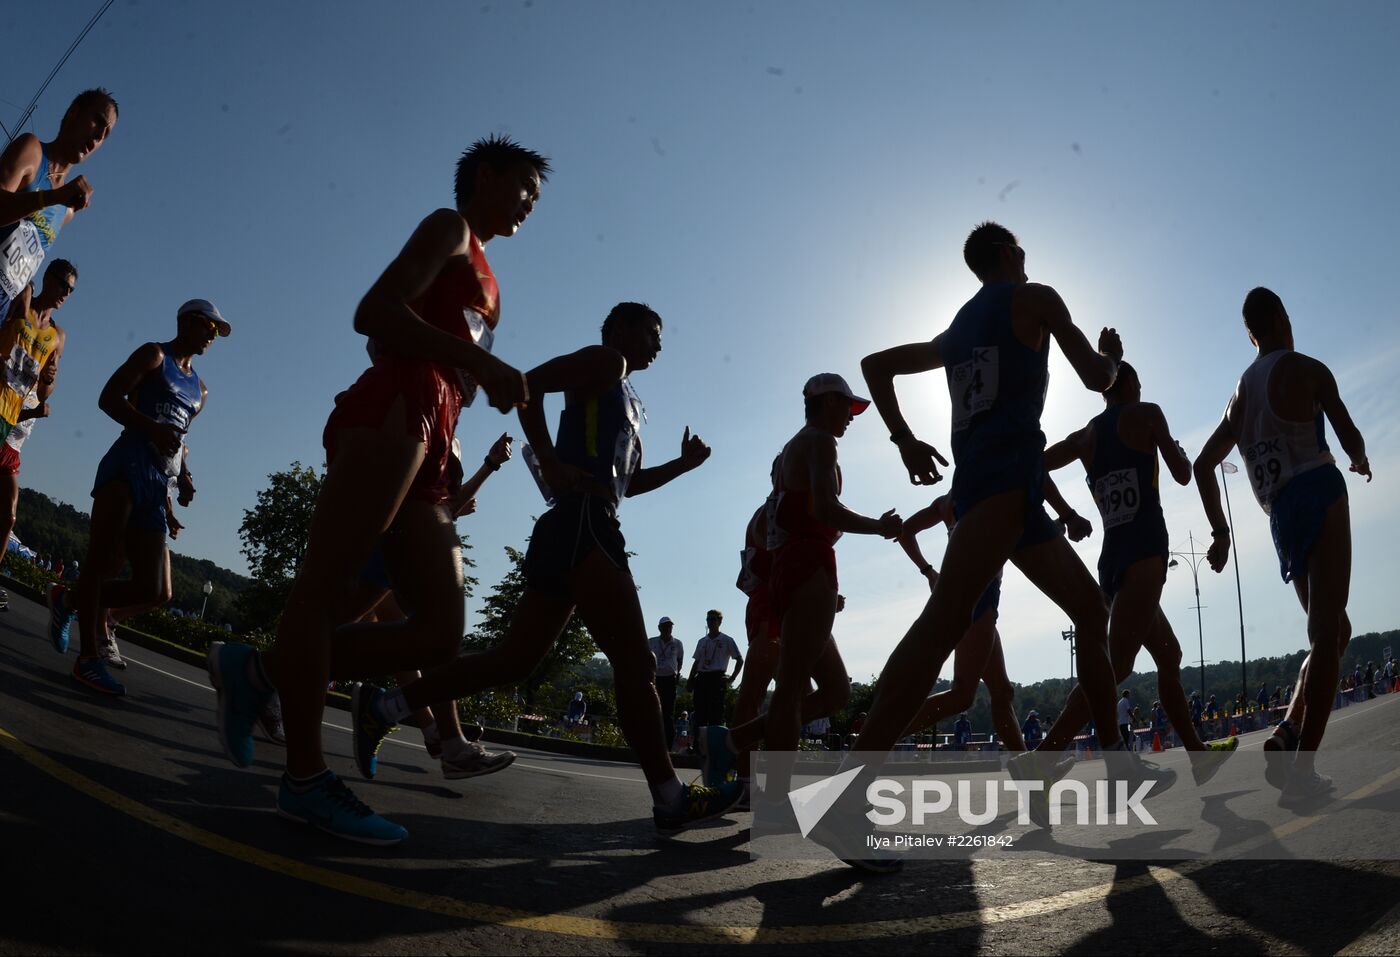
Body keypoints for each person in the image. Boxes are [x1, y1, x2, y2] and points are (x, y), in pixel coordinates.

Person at [207, 135, 544, 845]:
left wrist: (477, 377)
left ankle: (259, 669)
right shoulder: (448, 228)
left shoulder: (493, 280)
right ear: (485, 176)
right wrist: (471, 360)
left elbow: (439, 339)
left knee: (441, 628)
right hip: (397, 410)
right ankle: (304, 779)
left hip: (437, 434)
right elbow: (374, 314)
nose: (531, 202)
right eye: (524, 186)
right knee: (321, 593)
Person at [837, 222, 1166, 867]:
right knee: (941, 625)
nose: (1027, 253)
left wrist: (904, 440)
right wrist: (1115, 358)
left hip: (1002, 487)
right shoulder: (1036, 298)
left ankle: (1119, 762)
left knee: (1089, 612)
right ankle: (849, 794)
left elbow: (876, 366)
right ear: (1009, 255)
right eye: (1021, 247)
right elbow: (1099, 377)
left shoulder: (958, 326)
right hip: (1001, 486)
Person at [349, 301, 742, 835]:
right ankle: (671, 797)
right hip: (584, 524)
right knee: (634, 664)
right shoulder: (608, 361)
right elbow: (527, 385)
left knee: (513, 660)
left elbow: (625, 483)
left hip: (581, 522)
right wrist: (550, 461)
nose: (658, 344)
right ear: (619, 328)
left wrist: (683, 465)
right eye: (652, 332)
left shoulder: (624, 395)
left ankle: (388, 704)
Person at [1193, 286, 1370, 805]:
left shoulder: (1238, 397)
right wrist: (1359, 460)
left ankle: (1288, 731)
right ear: (1280, 319)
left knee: (1335, 631)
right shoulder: (1309, 368)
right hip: (1319, 488)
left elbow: (1204, 466)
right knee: (1325, 633)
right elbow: (1348, 434)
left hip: (1281, 517)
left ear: (1251, 333)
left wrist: (1220, 531)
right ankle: (1302, 775)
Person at [1035, 359, 1237, 783]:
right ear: (1125, 383)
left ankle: (1198, 754)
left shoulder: (1084, 435)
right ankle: (1043, 757)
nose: (1143, 390)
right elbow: (1183, 475)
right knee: (1116, 667)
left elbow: (1033, 465)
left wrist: (1067, 513)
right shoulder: (1148, 414)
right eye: (1140, 384)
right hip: (1146, 551)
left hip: (1112, 558)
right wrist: (1176, 450)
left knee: (1169, 655)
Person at [700, 374, 900, 799]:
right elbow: (828, 508)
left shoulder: (796, 446)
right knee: (789, 691)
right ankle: (772, 795)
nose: (851, 417)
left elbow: (794, 519)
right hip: (809, 561)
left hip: (791, 566)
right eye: (848, 407)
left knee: (836, 690)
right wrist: (879, 527)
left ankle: (733, 741)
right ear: (829, 402)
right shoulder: (822, 443)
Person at [52, 299, 228, 695]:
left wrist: (184, 476)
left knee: (151, 588)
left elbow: (179, 439)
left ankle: (69, 600)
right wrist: (149, 427)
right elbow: (108, 398)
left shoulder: (199, 389)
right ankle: (88, 660)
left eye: (217, 333)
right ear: (188, 322)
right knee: (101, 564)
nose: (213, 338)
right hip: (127, 463)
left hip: (156, 481)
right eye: (210, 328)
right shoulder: (154, 355)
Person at [352, 433, 516, 777]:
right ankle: (270, 679)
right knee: (422, 638)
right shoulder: (425, 413)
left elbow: (447, 505)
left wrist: (488, 467)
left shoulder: (445, 422)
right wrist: (488, 467)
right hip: (388, 538)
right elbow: (446, 506)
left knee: (415, 640)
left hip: (394, 541)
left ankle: (439, 736)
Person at [894, 481, 1091, 760]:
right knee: (963, 694)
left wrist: (928, 572)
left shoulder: (948, 501)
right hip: (977, 593)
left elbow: (905, 531)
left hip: (975, 593)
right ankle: (874, 738)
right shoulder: (985, 492)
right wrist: (928, 571)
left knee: (1002, 692)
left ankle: (1028, 773)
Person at [0, 89, 117, 322]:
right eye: (97, 122)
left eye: (105, 135)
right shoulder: (32, 151)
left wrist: (27, 287)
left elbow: (25, 258)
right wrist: (51, 197)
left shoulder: (67, 211)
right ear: (74, 113)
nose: (97, 138)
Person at [0, 264, 73, 561]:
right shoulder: (25, 298)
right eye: (63, 285)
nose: (66, 293)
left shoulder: (58, 335)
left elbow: (44, 393)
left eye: (71, 290)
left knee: (8, 517)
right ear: (48, 279)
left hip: (13, 422)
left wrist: (49, 378)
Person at [688, 609, 743, 730]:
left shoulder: (727, 640)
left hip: (717, 678)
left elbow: (739, 660)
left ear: (720, 621)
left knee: (715, 714)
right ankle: (698, 745)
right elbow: (696, 662)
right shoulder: (702, 641)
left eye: (713, 619)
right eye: (708, 619)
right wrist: (690, 680)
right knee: (699, 713)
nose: (710, 622)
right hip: (701, 678)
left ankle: (712, 746)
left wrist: (731, 678)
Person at [647, 616, 684, 751]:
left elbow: (680, 661)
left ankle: (667, 746)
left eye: (670, 626)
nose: (668, 628)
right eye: (665, 626)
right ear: (659, 627)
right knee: (653, 711)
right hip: (655, 678)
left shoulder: (677, 643)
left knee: (667, 713)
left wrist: (677, 674)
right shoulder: (652, 642)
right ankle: (651, 742)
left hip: (669, 679)